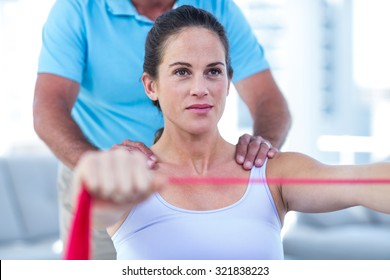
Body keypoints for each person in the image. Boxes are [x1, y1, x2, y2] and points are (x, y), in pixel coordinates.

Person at [70, 5, 390, 260]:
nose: (201, 89)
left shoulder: (271, 172)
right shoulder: (129, 175)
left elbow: (364, 182)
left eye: (213, 72)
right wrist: (99, 179)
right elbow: (91, 209)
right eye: (182, 72)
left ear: (228, 81)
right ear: (151, 85)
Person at [33, 0, 291, 259]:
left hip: (186, 181)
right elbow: (48, 109)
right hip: (96, 170)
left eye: (212, 72)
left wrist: (261, 153)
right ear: (149, 85)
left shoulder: (218, 8)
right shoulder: (77, 9)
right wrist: (104, 170)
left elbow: (268, 99)